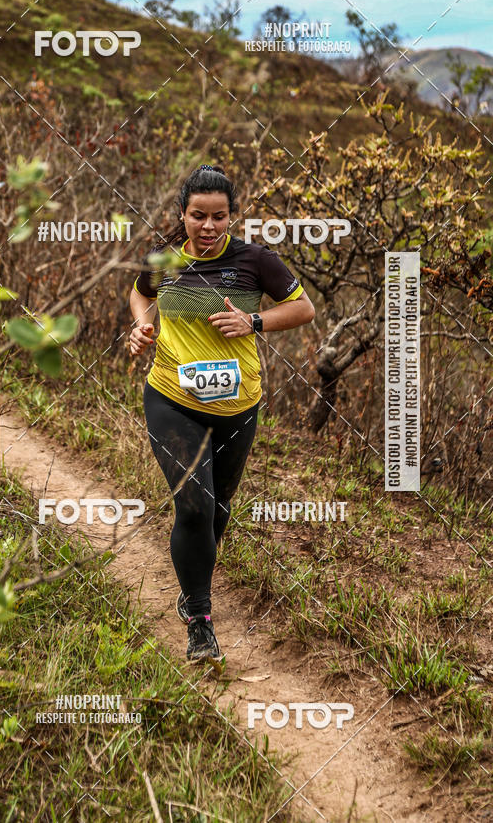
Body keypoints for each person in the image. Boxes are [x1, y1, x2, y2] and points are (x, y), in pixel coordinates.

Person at [129, 164, 315, 664]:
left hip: (238, 405)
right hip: (172, 397)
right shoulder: (163, 260)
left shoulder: (256, 260)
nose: (208, 227)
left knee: (219, 507)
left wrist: (253, 320)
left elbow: (303, 309)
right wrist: (142, 327)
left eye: (218, 216)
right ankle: (200, 620)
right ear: (182, 215)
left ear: (232, 216)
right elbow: (141, 295)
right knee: (193, 505)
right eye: (197, 216)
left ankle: (194, 585)